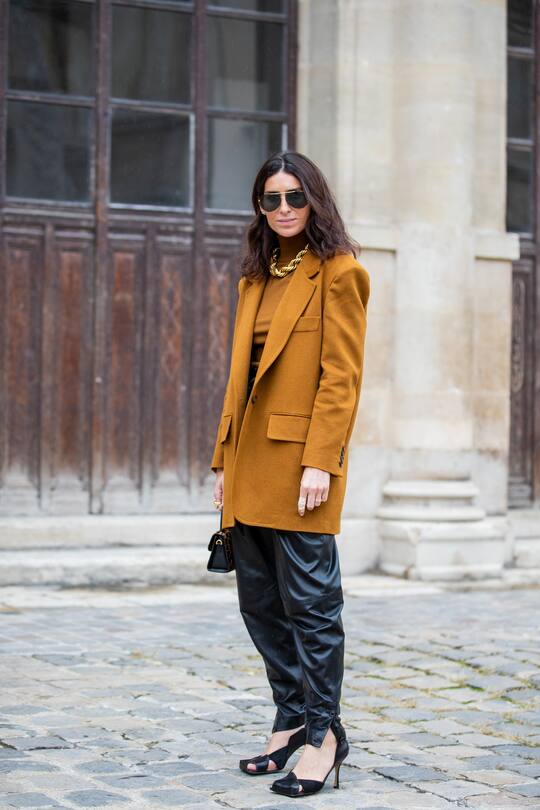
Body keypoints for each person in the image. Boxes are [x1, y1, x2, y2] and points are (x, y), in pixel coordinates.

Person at [210, 150, 370, 798]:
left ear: (314, 201)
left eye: (294, 197)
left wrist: (321, 461)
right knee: (260, 605)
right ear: (260, 206)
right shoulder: (256, 276)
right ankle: (291, 717)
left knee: (311, 607)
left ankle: (324, 736)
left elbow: (342, 379)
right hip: (250, 463)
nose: (283, 209)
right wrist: (223, 460)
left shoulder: (341, 273)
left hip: (303, 467)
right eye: (271, 198)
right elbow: (238, 380)